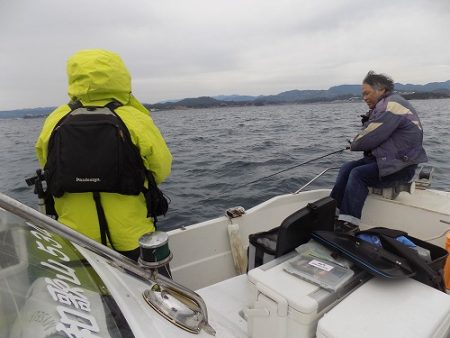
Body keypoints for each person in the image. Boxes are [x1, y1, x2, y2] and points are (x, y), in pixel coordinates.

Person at [36, 49, 172, 261]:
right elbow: (161, 169)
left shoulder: (56, 118)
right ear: (121, 76)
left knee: (89, 291)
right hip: (131, 233)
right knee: (147, 287)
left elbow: (46, 163)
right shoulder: (134, 117)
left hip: (75, 234)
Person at [331, 71, 427, 233]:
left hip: (401, 168)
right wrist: (358, 142)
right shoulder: (383, 106)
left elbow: (372, 135)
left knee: (358, 174)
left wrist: (354, 144)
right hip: (385, 162)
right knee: (347, 168)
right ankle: (332, 212)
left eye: (367, 93)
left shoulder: (393, 105)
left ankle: (349, 224)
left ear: (381, 90)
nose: (364, 98)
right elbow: (372, 134)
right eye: (363, 94)